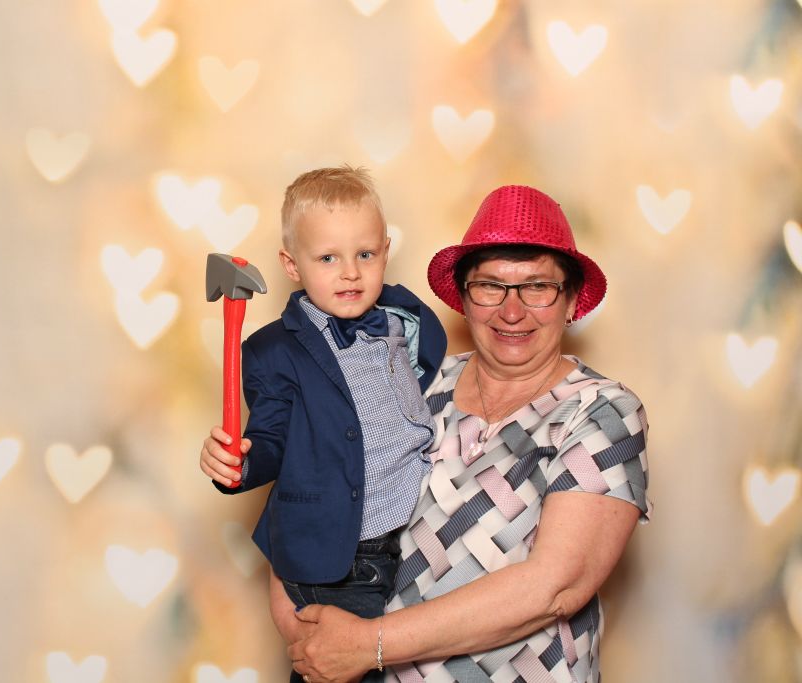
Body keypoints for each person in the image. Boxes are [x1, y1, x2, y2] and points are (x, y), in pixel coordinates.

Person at [282, 184, 652, 683]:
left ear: (570, 302)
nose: (512, 311)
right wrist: (252, 454)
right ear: (463, 299)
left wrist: (369, 645)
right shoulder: (413, 381)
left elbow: (555, 587)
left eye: (537, 287)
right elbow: (314, 492)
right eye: (490, 286)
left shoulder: (603, 411)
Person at [199, 165, 447, 682]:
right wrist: (238, 464)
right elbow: (270, 438)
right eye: (328, 258)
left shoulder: (403, 322)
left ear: (386, 251)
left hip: (411, 545)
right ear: (292, 265)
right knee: (339, 666)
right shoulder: (274, 352)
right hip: (342, 559)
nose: (350, 272)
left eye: (365, 254)